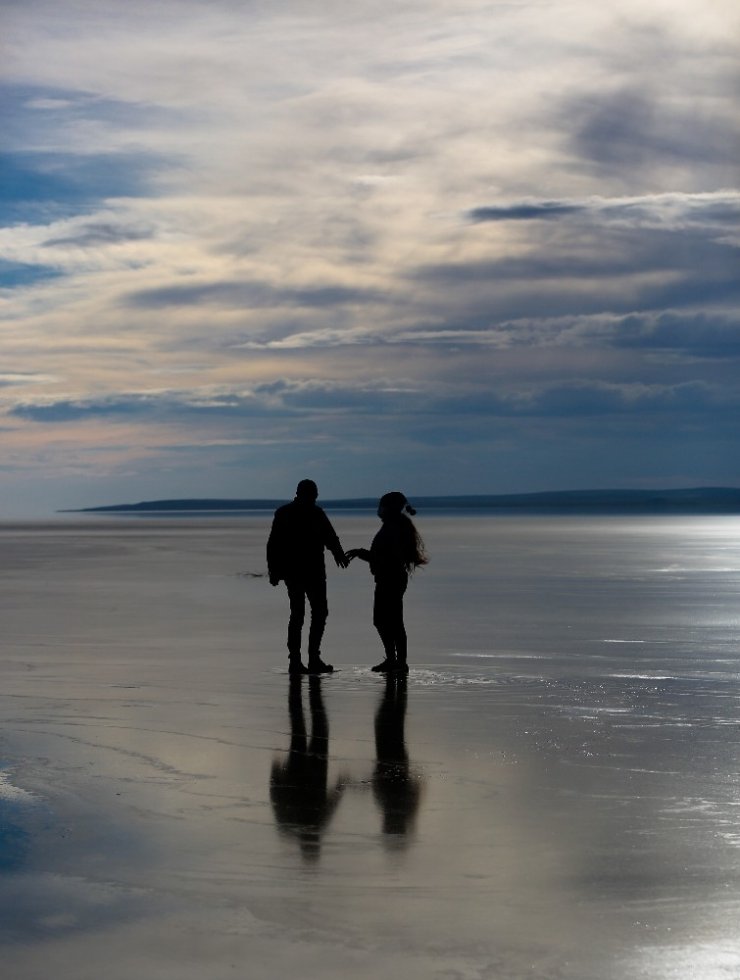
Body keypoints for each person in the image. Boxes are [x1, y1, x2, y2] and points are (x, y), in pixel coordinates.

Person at [267, 479, 348, 674]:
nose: (315, 497)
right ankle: (300, 660)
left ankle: (308, 659)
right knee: (306, 614)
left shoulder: (300, 512)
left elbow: (330, 537)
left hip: (305, 572)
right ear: (305, 494)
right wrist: (274, 571)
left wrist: (338, 554)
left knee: (309, 614)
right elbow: (274, 544)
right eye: (313, 494)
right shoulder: (297, 512)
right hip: (304, 572)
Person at [346, 491, 428, 673]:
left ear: (388, 508)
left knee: (390, 621)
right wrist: (362, 553)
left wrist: (362, 553)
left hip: (390, 580)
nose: (379, 509)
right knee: (386, 621)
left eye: (381, 506)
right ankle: (394, 660)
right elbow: (382, 557)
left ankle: (398, 661)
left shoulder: (393, 528)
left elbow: (385, 557)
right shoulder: (395, 526)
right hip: (390, 579)